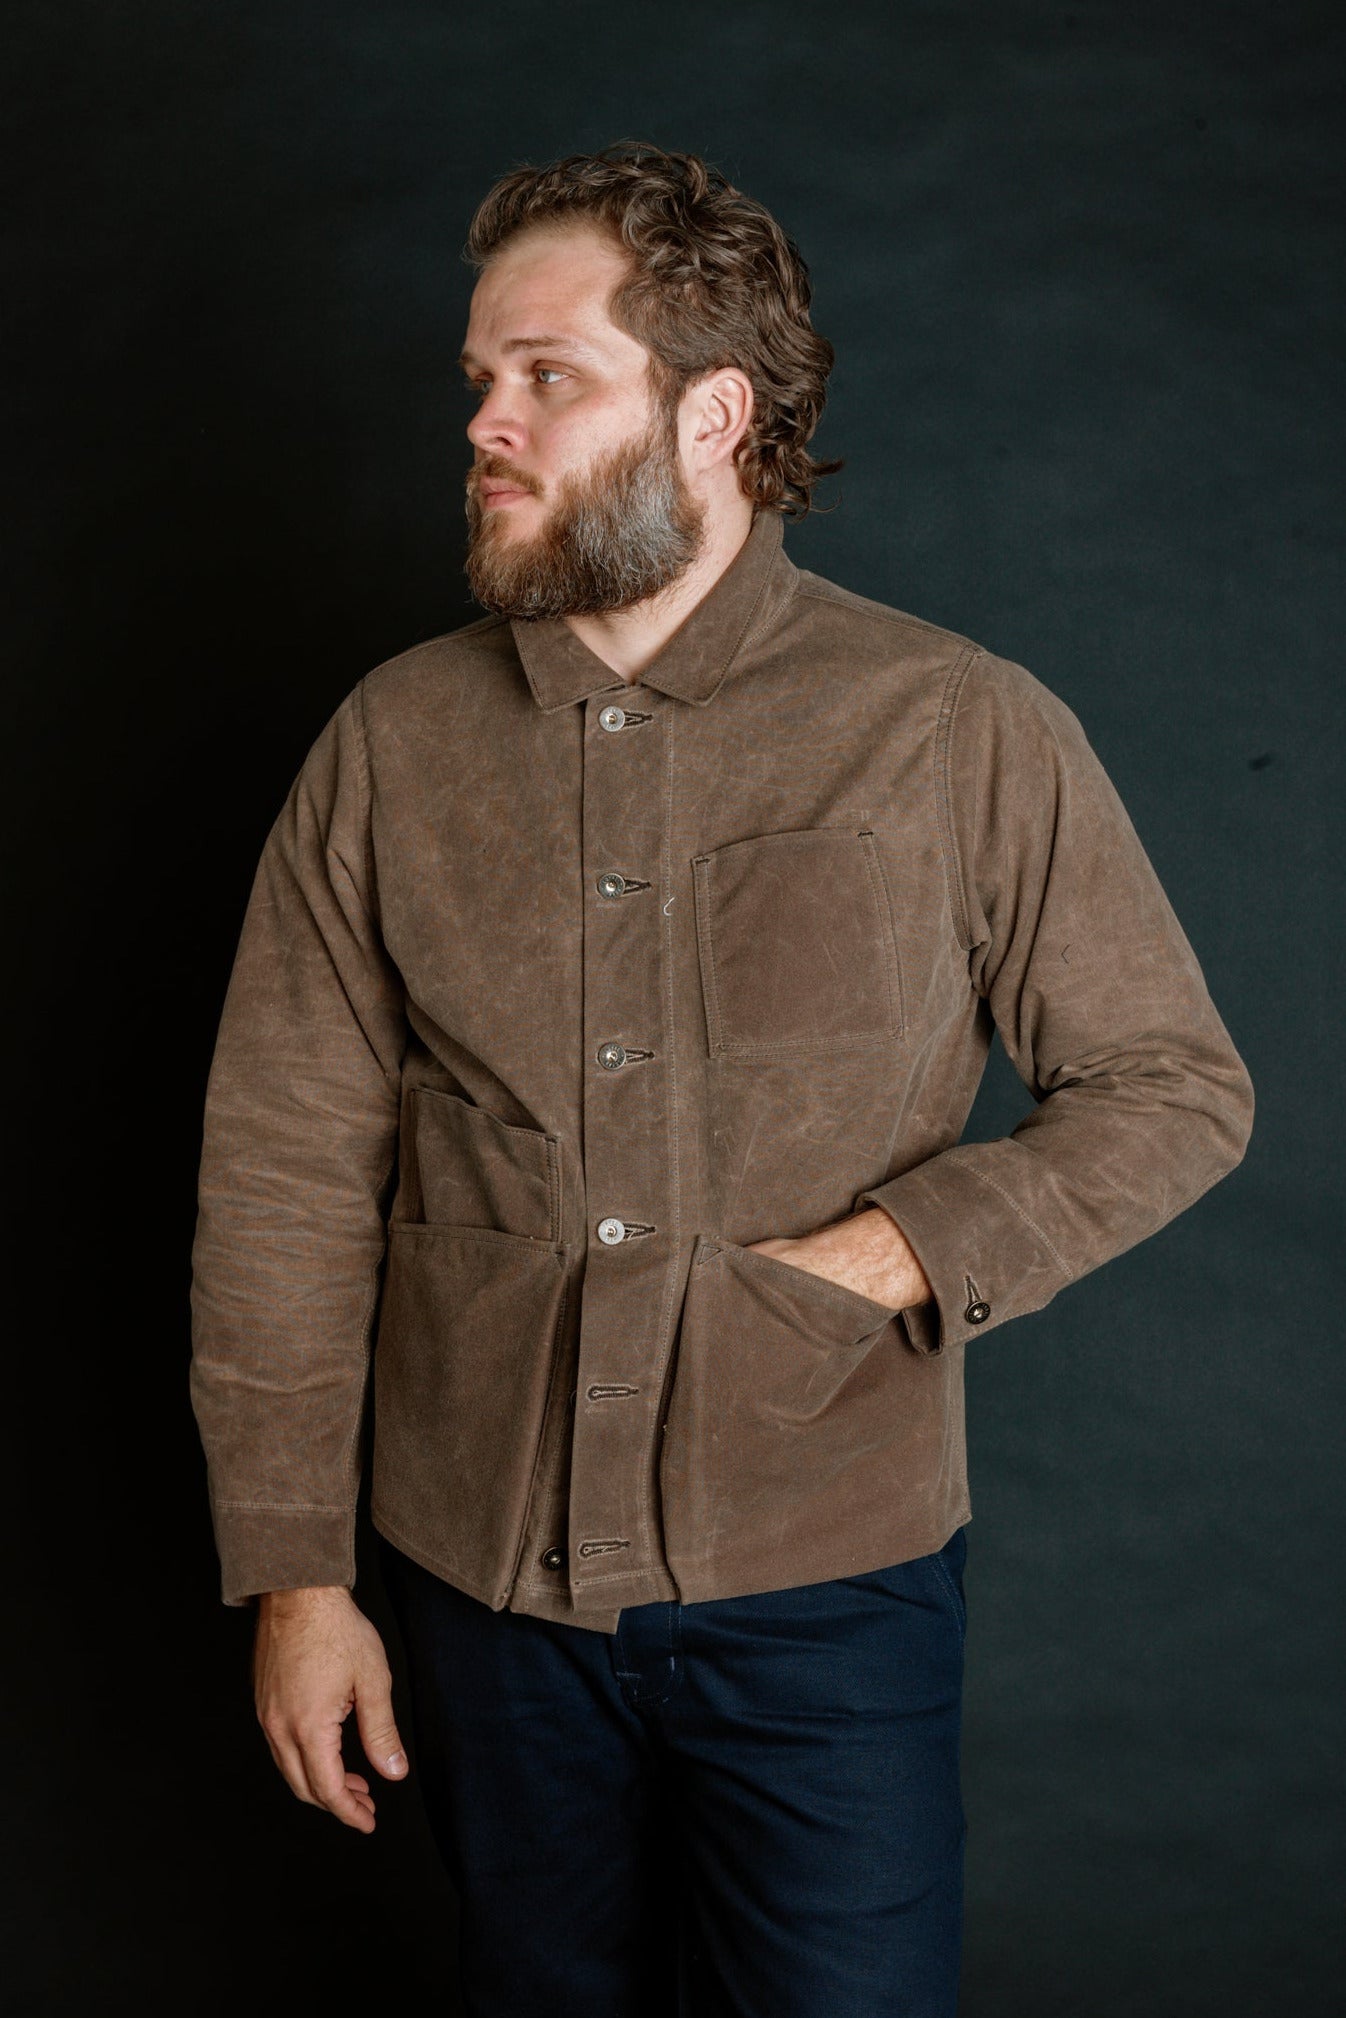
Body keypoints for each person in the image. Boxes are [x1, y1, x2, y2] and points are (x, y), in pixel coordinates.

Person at [189, 142, 1254, 2017]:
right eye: (480, 379)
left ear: (713, 414)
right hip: (474, 1595)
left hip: (830, 1586)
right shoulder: (390, 742)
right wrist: (297, 1574)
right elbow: (282, 1171)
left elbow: (1169, 1084)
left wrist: (884, 1257)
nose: (486, 422)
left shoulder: (952, 724)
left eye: (546, 375)